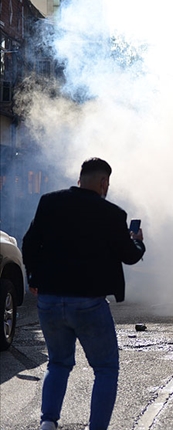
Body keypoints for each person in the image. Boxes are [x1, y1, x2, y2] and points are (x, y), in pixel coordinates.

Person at [23, 158, 146, 430]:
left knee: (57, 363)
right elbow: (129, 256)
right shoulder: (112, 214)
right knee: (105, 368)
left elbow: (30, 242)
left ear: (80, 179)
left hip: (50, 301)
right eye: (107, 184)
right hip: (89, 304)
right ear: (103, 183)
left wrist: (33, 277)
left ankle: (48, 423)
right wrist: (138, 243)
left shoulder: (49, 202)